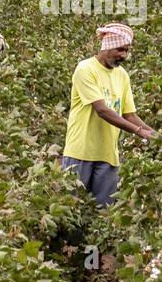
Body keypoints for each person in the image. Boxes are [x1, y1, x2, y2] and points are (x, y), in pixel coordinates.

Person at [61, 23, 155, 207]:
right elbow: (102, 110)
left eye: (127, 51)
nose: (124, 56)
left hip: (108, 155)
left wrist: (156, 135)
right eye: (120, 49)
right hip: (81, 152)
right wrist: (139, 132)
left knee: (105, 213)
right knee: (71, 209)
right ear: (107, 46)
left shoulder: (122, 76)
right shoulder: (85, 69)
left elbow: (130, 115)